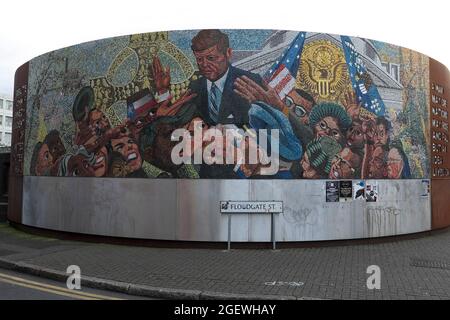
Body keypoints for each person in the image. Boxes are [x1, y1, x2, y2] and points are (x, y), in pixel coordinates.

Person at [188, 29, 264, 126]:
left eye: (211, 58)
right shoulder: (194, 87)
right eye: (199, 59)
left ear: (228, 53)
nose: (204, 64)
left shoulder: (250, 82)